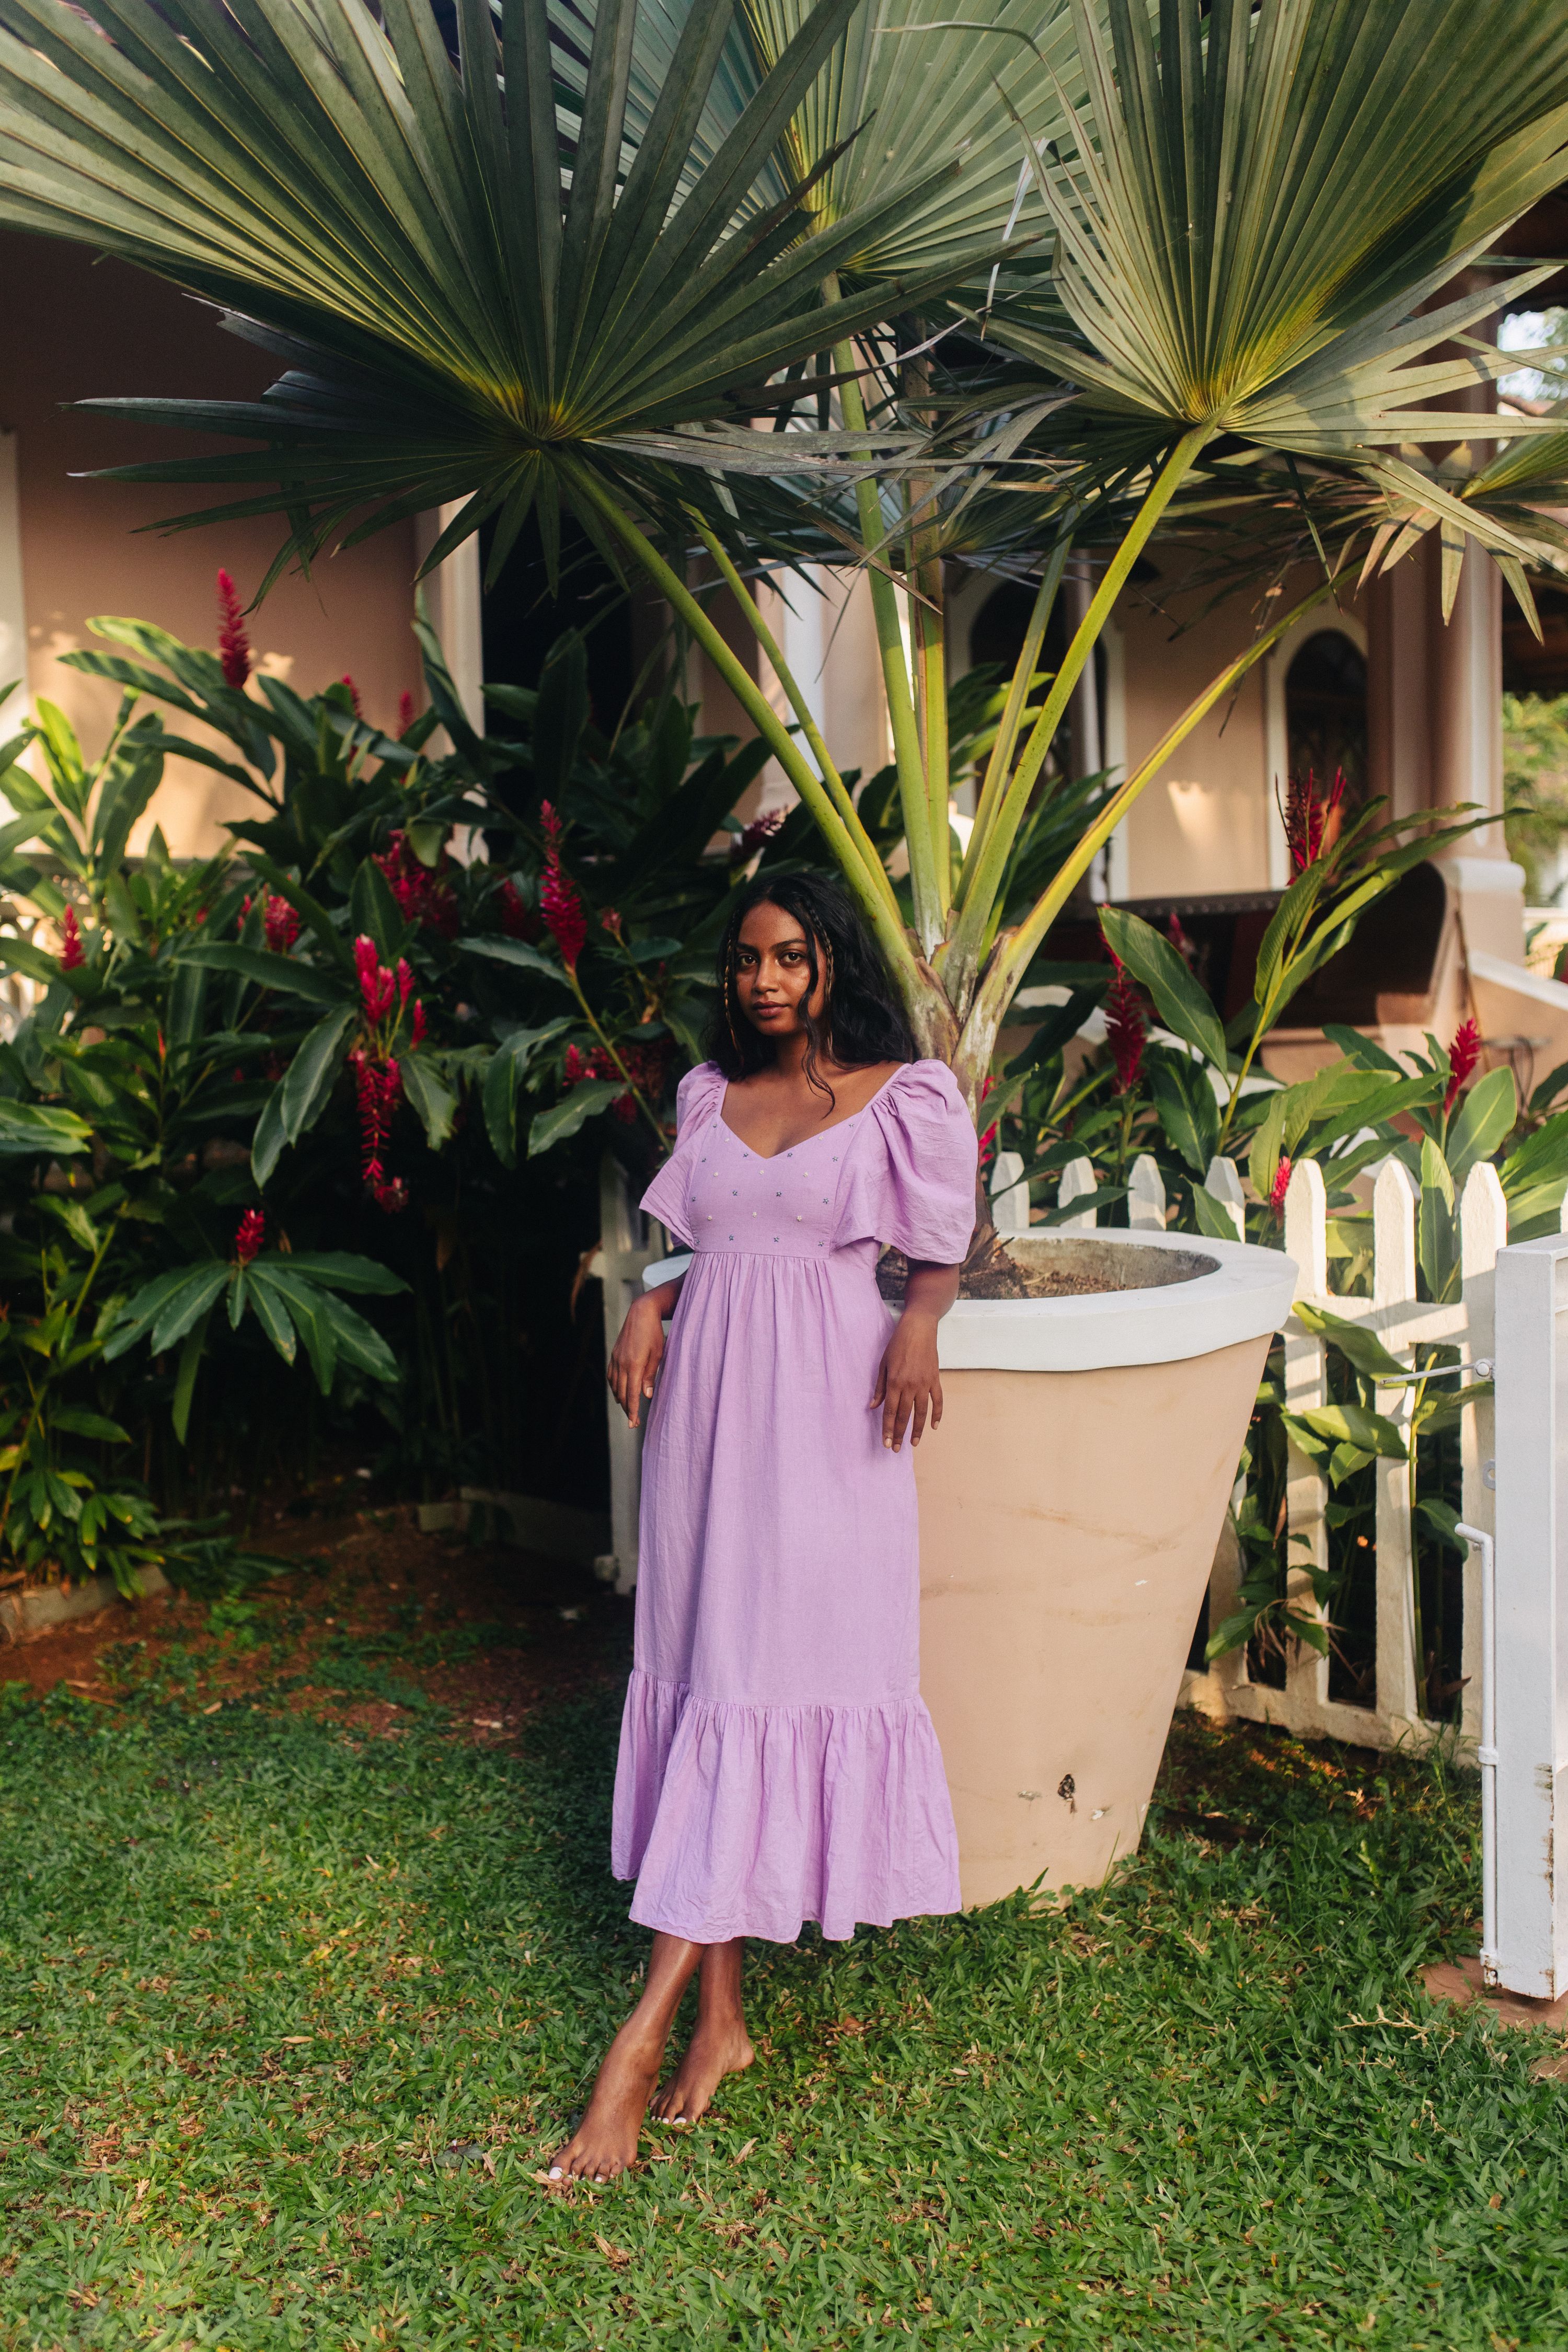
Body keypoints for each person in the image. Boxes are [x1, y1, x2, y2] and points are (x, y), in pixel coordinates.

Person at [548, 872, 977, 2185]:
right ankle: (723, 2020)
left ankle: (638, 2043)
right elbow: (697, 1227)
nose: (766, 980)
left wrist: (919, 1323)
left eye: (790, 957)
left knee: (762, 1680)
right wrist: (648, 1304)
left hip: (831, 1423)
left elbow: (940, 1242)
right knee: (710, 1684)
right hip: (709, 1429)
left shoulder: (904, 1095)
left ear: (831, 965)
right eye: (746, 962)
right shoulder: (703, 1098)